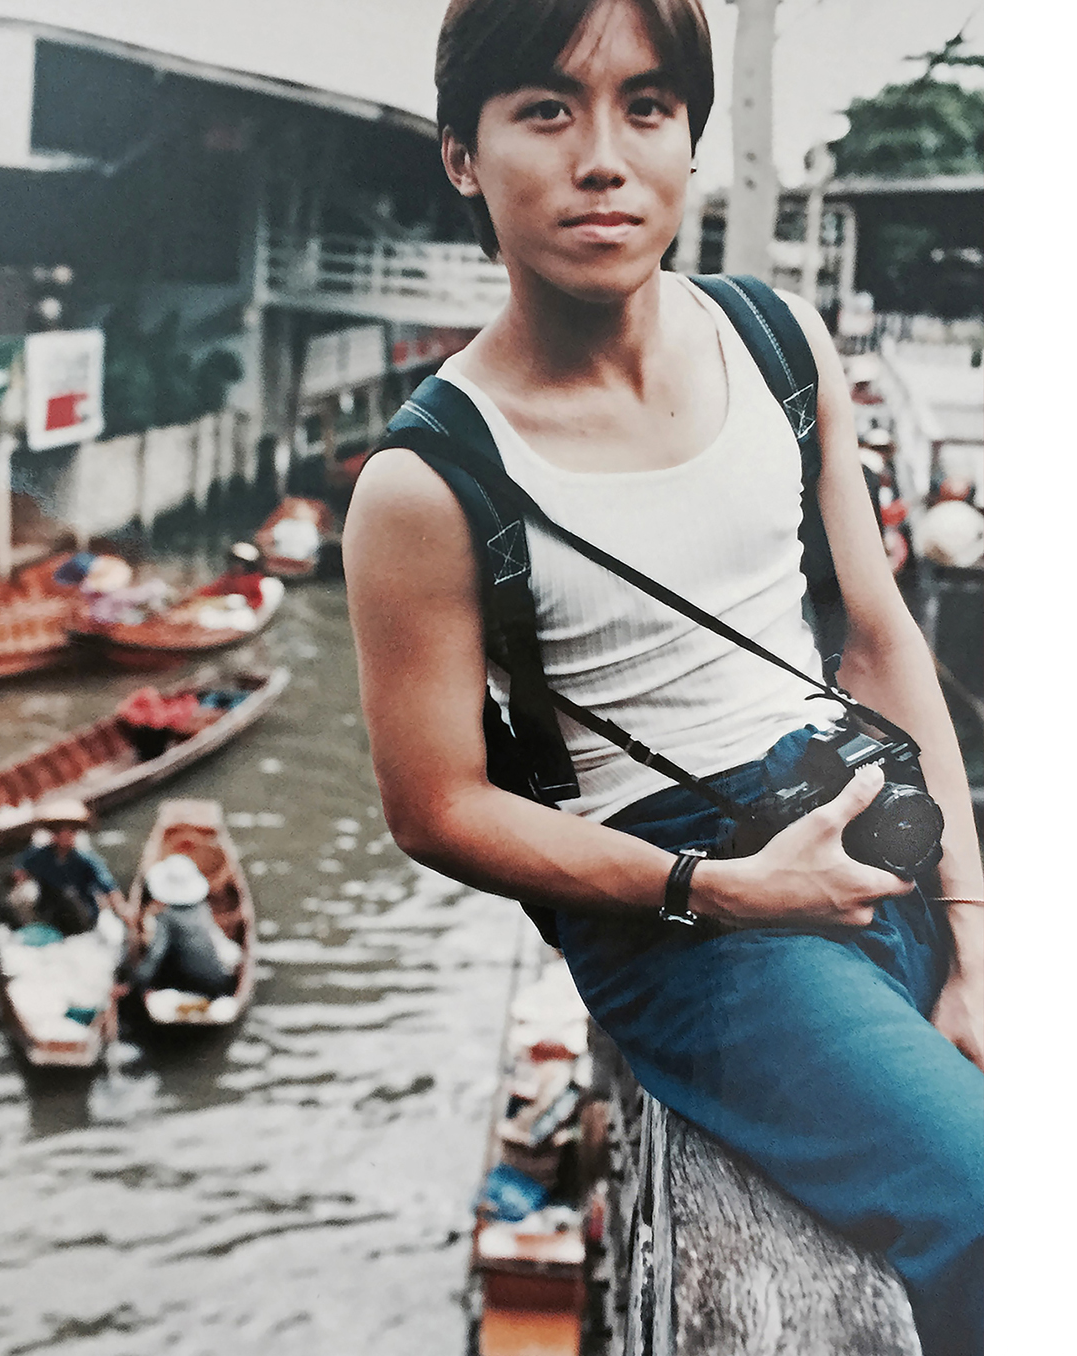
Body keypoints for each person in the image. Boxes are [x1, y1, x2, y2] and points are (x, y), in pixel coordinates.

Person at [340, 2, 982, 1352]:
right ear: (461, 154)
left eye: (645, 106)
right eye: (545, 109)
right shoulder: (428, 479)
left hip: (873, 821)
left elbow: (876, 637)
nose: (602, 158)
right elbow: (435, 805)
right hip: (695, 922)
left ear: (690, 137)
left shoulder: (776, 340)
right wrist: (719, 889)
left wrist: (977, 939)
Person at [126, 853, 239, 997]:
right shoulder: (202, 907)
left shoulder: (166, 917)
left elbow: (156, 955)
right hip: (220, 981)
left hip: (187, 984)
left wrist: (133, 983)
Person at [8, 801, 126, 938]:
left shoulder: (85, 859)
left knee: (69, 896)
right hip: (51, 913)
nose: (64, 835)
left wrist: (123, 910)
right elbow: (20, 868)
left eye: (70, 831)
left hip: (83, 914)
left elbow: (109, 887)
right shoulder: (39, 856)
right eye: (58, 831)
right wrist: (20, 879)